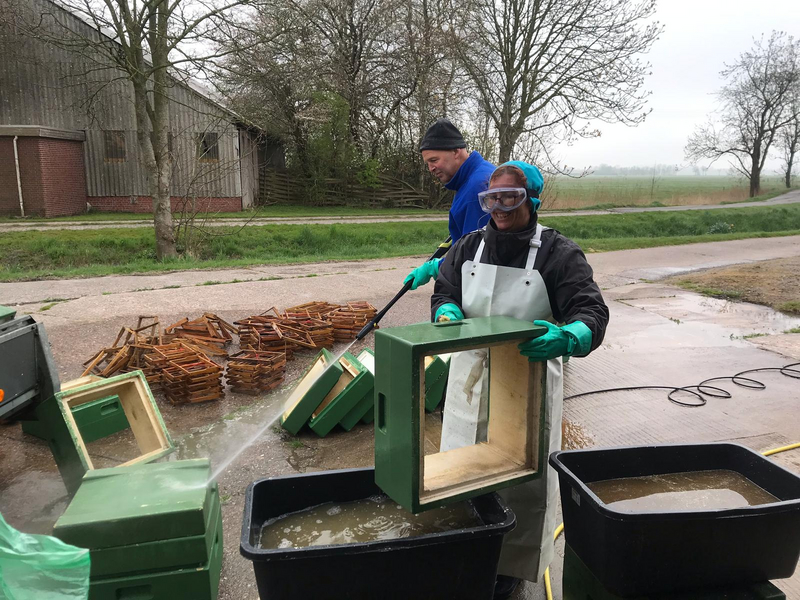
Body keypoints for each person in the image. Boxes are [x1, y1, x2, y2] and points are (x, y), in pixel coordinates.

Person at [431, 161, 609, 599]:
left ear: (532, 199)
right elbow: (445, 288)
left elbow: (591, 310)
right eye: (491, 199)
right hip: (470, 383)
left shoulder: (558, 253)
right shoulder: (469, 246)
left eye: (510, 198)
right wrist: (445, 309)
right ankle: (464, 552)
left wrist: (571, 335)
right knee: (462, 469)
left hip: (528, 385)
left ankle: (508, 569)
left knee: (523, 482)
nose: (499, 208)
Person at [404, 118, 495, 290]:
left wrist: (437, 267)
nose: (431, 168)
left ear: (456, 151)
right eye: (428, 163)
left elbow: (476, 255)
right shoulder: (470, 180)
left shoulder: (478, 188)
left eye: (434, 160)